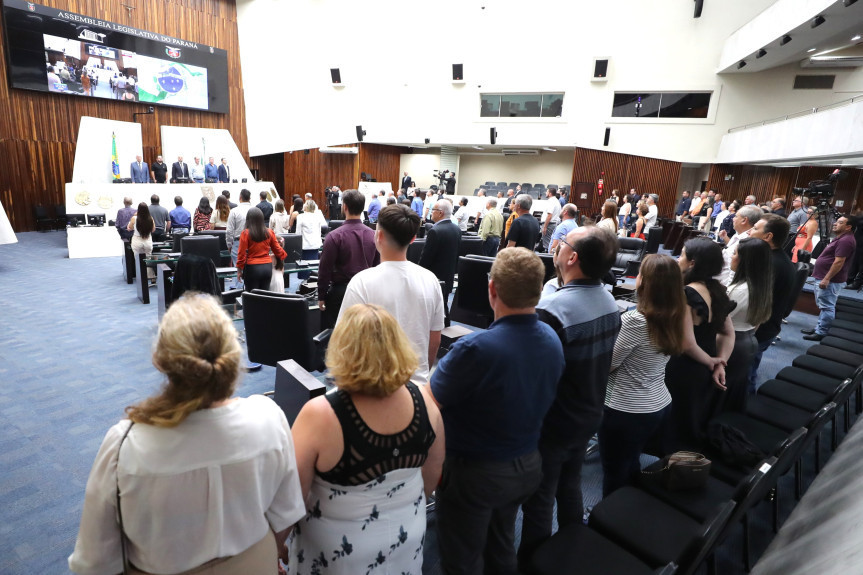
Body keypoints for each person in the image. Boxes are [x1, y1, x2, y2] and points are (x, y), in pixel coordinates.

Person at [68, 296, 305, 575]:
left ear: (160, 361)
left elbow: (94, 563)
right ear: (233, 354)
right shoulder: (270, 417)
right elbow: (285, 515)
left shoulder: (125, 446)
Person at [431, 248, 564, 575]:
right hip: (527, 467)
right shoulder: (552, 338)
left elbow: (430, 398)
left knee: (462, 558)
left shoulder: (475, 349)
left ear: (492, 290)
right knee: (502, 545)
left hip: (476, 475)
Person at [289, 304, 444, 575]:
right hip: (406, 539)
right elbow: (432, 475)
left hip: (338, 557)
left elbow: (289, 500)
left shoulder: (320, 415)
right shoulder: (425, 401)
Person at [519, 226, 622, 565]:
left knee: (539, 498)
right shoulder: (609, 299)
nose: (556, 246)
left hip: (554, 422)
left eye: (561, 242)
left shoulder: (552, 310)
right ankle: (571, 552)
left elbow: (531, 375)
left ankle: (533, 563)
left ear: (572, 257)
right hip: (588, 413)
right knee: (570, 484)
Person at [599, 255, 693, 496]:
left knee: (614, 470)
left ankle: (608, 518)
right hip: (658, 403)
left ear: (645, 283)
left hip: (626, 409)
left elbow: (608, 365)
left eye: (640, 273)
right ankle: (627, 506)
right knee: (630, 461)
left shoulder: (636, 321)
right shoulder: (679, 313)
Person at [339, 204, 445, 386]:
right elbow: (435, 337)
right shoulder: (431, 280)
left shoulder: (362, 282)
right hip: (418, 386)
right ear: (413, 239)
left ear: (378, 235)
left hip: (374, 389)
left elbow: (344, 342)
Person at [665, 237, 735, 452]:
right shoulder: (718, 289)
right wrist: (720, 363)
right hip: (705, 364)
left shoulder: (687, 293)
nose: (678, 259)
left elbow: (686, 343)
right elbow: (728, 333)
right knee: (691, 417)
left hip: (684, 366)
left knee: (673, 422)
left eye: (682, 254)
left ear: (693, 262)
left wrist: (713, 362)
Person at [723, 238, 773, 412]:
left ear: (745, 261)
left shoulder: (738, 291)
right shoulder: (761, 285)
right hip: (748, 340)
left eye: (735, 253)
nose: (732, 257)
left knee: (721, 389)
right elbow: (757, 322)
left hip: (731, 344)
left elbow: (717, 324)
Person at [317, 190, 380, 329]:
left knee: (336, 333)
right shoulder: (373, 235)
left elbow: (325, 269)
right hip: (366, 292)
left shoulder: (334, 236)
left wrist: (321, 295)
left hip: (341, 293)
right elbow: (377, 266)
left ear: (344, 206)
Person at [748, 214, 796, 393]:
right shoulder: (777, 258)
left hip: (759, 331)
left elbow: (758, 305)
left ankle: (739, 414)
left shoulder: (771, 264)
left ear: (768, 237)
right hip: (768, 328)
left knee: (745, 376)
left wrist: (747, 337)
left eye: (755, 229)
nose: (750, 231)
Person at [802, 216, 857, 341]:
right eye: (836, 221)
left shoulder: (846, 241)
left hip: (830, 280)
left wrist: (826, 278)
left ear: (848, 227)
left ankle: (822, 332)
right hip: (825, 277)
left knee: (827, 306)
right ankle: (819, 328)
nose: (835, 224)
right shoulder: (841, 238)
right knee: (823, 305)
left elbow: (839, 262)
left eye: (840, 222)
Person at [420, 199, 462, 323]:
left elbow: (426, 258)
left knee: (433, 309)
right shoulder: (456, 229)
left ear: (440, 213)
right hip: (448, 275)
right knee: (443, 306)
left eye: (433, 210)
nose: (431, 213)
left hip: (434, 277)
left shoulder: (435, 231)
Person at [236, 207, 288, 292]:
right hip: (267, 268)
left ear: (248, 219)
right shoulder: (269, 232)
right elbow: (278, 250)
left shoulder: (245, 233)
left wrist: (239, 270)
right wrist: (284, 255)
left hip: (252, 268)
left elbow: (241, 254)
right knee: (264, 297)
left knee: (252, 297)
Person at [717, 205, 762, 285]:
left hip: (725, 287)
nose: (733, 219)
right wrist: (725, 238)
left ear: (744, 220)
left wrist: (727, 292)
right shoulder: (738, 234)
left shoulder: (748, 241)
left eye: (736, 216)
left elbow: (735, 272)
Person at [295, 199, 325, 280]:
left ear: (306, 206)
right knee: (313, 268)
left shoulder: (300, 216)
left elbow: (298, 233)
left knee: (304, 269)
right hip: (315, 245)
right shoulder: (318, 216)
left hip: (305, 246)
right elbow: (319, 232)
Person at [127, 203, 155, 282]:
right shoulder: (151, 218)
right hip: (147, 240)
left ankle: (141, 279)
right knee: (149, 259)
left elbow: (130, 228)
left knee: (138, 260)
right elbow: (153, 229)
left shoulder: (134, 218)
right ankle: (151, 277)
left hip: (137, 240)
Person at [226, 189, 253, 267]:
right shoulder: (255, 210)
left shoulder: (234, 211)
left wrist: (229, 245)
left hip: (238, 243)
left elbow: (229, 231)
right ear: (249, 198)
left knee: (238, 270)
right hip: (254, 242)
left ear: (240, 197)